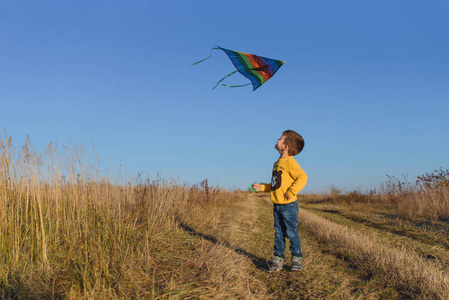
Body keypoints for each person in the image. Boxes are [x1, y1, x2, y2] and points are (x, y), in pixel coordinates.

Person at [251, 130, 308, 272]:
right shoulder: (277, 163)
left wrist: (291, 191)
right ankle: (278, 258)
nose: (277, 139)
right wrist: (261, 187)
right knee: (278, 232)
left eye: (280, 138)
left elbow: (303, 177)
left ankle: (296, 258)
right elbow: (274, 185)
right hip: (277, 205)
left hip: (289, 205)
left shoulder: (290, 162)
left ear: (285, 146)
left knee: (291, 232)